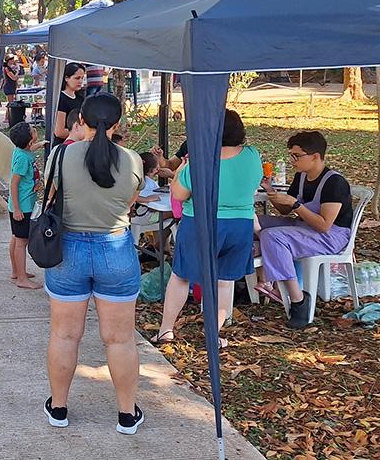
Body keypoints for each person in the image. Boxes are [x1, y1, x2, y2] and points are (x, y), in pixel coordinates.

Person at [42, 93, 145, 434]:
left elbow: (51, 194)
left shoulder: (60, 156)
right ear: (118, 125)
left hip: (67, 251)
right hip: (115, 250)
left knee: (64, 335)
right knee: (120, 339)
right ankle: (127, 415)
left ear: (80, 121)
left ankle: (58, 409)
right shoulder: (132, 161)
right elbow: (129, 204)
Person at [152, 110, 263, 346]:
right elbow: (254, 184)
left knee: (181, 276)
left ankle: (166, 330)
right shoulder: (253, 156)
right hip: (239, 226)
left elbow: (179, 195)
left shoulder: (202, 161)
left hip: (200, 223)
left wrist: (181, 170)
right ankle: (213, 335)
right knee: (224, 280)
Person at [256, 131, 355, 329]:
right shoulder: (301, 177)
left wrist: (295, 205)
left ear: (315, 156)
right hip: (305, 227)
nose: (292, 161)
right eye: (291, 155)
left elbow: (324, 224)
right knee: (255, 222)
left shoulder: (334, 182)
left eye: (296, 156)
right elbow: (287, 208)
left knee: (271, 236)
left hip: (331, 236)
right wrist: (271, 191)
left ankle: (298, 299)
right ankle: (261, 274)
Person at [8, 121, 45, 290]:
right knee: (22, 241)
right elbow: (14, 184)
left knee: (16, 238)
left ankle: (17, 271)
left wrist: (40, 145)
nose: (36, 130)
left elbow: (30, 149)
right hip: (23, 206)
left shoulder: (23, 150)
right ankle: (21, 278)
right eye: (34, 131)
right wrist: (17, 209)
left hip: (22, 205)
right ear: (29, 141)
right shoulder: (23, 158)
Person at [52, 63, 86, 147]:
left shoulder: (80, 98)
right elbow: (59, 131)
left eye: (82, 78)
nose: (80, 81)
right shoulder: (61, 99)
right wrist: (81, 133)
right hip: (64, 146)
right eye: (77, 78)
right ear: (66, 78)